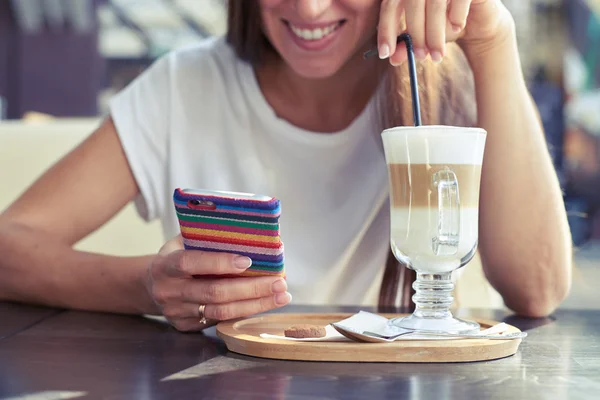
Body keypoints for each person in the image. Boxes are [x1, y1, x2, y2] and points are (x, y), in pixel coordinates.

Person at [0, 0, 572, 331]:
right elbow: (10, 247)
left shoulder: (452, 83)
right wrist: (147, 287)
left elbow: (538, 291)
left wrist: (494, 39)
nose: (307, 8)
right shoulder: (185, 87)